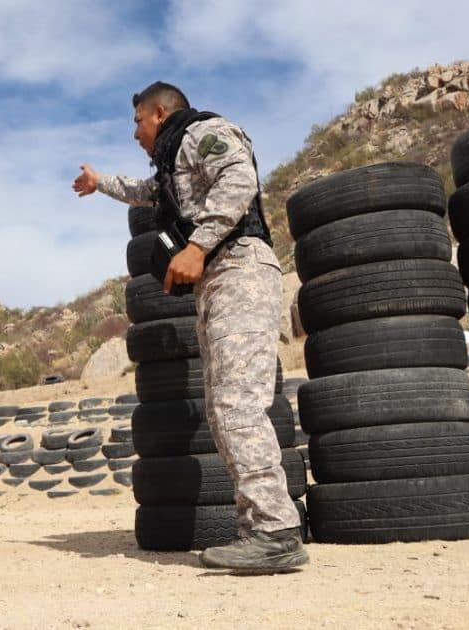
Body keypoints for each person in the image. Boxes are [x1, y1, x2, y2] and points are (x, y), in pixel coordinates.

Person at [73, 81, 308, 572]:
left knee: (237, 402)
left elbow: (239, 181)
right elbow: (147, 192)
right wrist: (101, 184)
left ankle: (275, 531)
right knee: (224, 407)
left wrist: (197, 247)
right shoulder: (173, 163)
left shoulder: (205, 132)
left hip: (240, 269)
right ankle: (261, 530)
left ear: (159, 113)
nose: (135, 133)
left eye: (138, 121)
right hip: (220, 282)